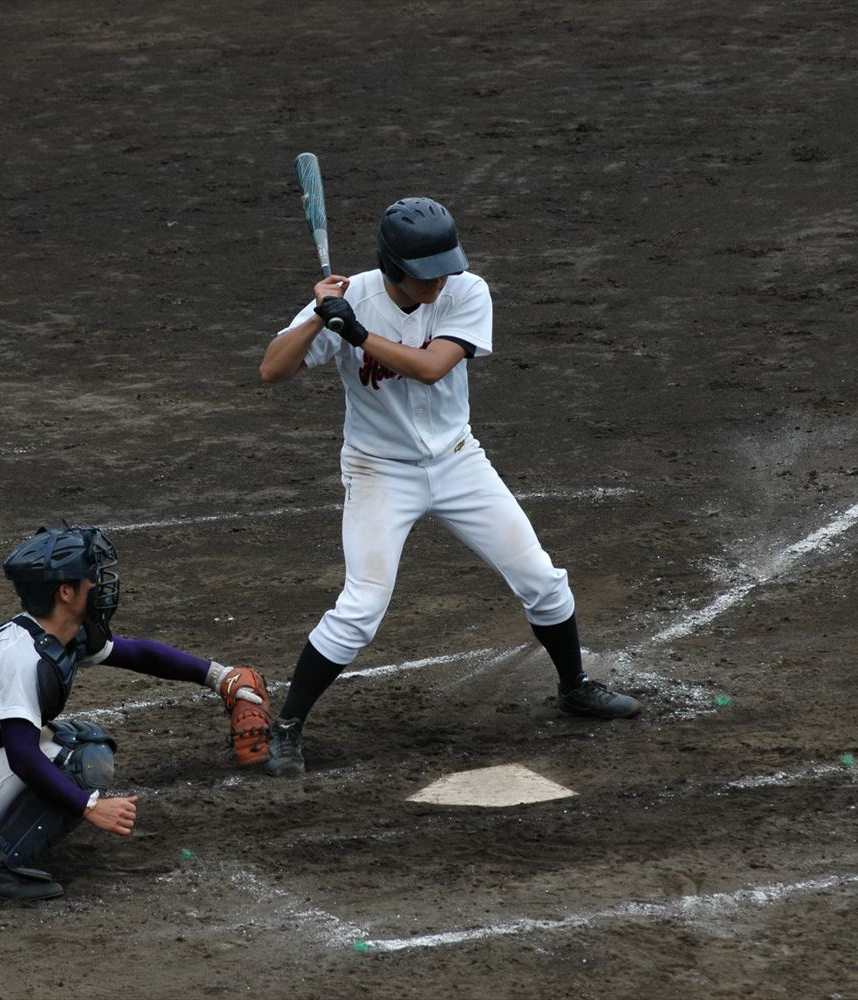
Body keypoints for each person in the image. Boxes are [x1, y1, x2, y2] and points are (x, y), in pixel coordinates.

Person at [257, 196, 641, 777]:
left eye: (445, 268)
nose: (439, 282)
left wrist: (353, 330)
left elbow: (431, 366)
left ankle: (574, 686)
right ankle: (287, 726)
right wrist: (318, 315)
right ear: (393, 267)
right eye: (427, 273)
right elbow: (272, 370)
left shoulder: (466, 291)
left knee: (541, 578)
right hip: (379, 471)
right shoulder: (349, 297)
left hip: (459, 463)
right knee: (362, 607)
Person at [0, 524, 269, 903]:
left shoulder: (52, 633)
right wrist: (88, 806)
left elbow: (138, 653)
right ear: (65, 592)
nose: (99, 584)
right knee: (84, 757)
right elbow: (22, 757)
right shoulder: (22, 659)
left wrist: (219, 677)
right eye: (91, 577)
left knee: (68, 740)